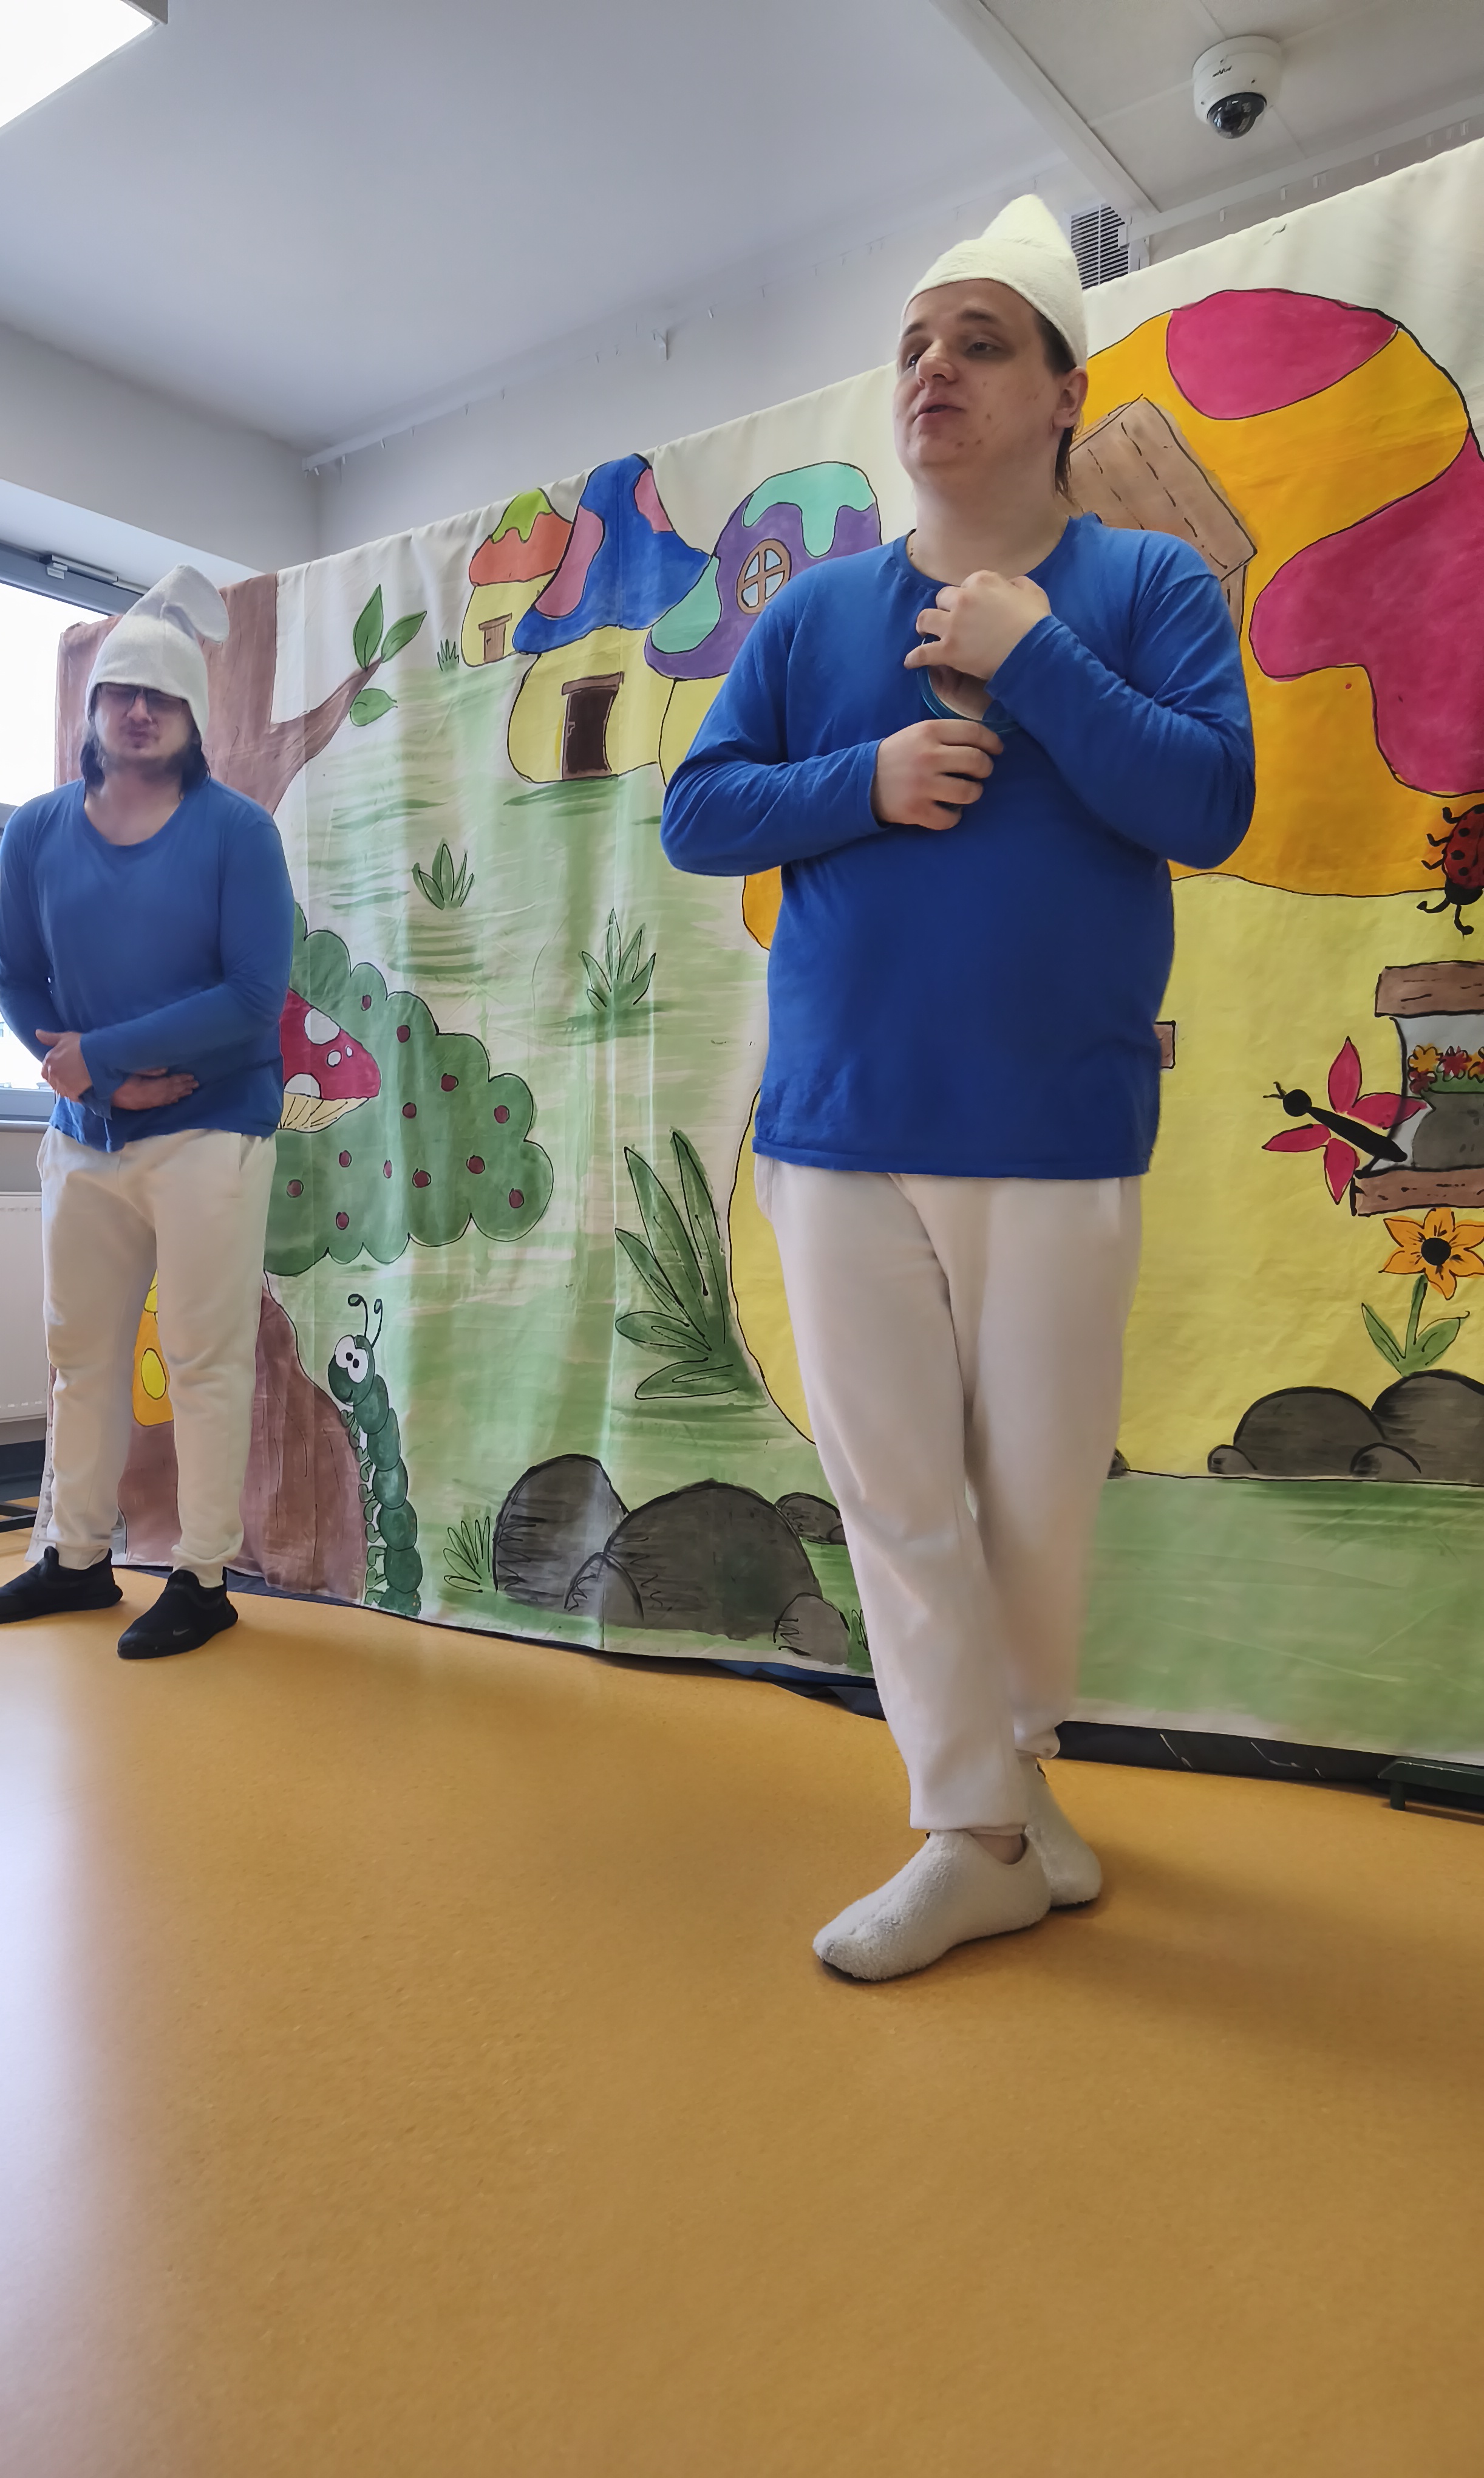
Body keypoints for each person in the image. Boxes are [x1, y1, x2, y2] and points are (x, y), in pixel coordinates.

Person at [661, 197, 1254, 1980]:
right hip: (838, 1126)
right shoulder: (814, 614)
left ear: (1065, 391)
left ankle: (1009, 1782)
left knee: (1039, 1496)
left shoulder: (1144, 589)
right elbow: (699, 810)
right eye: (916, 345)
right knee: (897, 1495)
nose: (934, 370)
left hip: (1056, 1121)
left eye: (980, 342)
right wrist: (865, 780)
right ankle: (975, 1833)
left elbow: (1209, 805)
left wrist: (1031, 654)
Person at [0, 565, 294, 1659]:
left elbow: (253, 998)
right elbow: (16, 978)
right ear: (94, 707)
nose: (140, 710)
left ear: (194, 715)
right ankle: (75, 1558)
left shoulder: (238, 833)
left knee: (202, 1357)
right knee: (80, 1355)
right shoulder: (37, 832)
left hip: (211, 1131)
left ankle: (203, 1576)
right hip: (86, 1139)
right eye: (122, 692)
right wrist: (101, 1084)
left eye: (163, 695)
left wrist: (101, 1056)